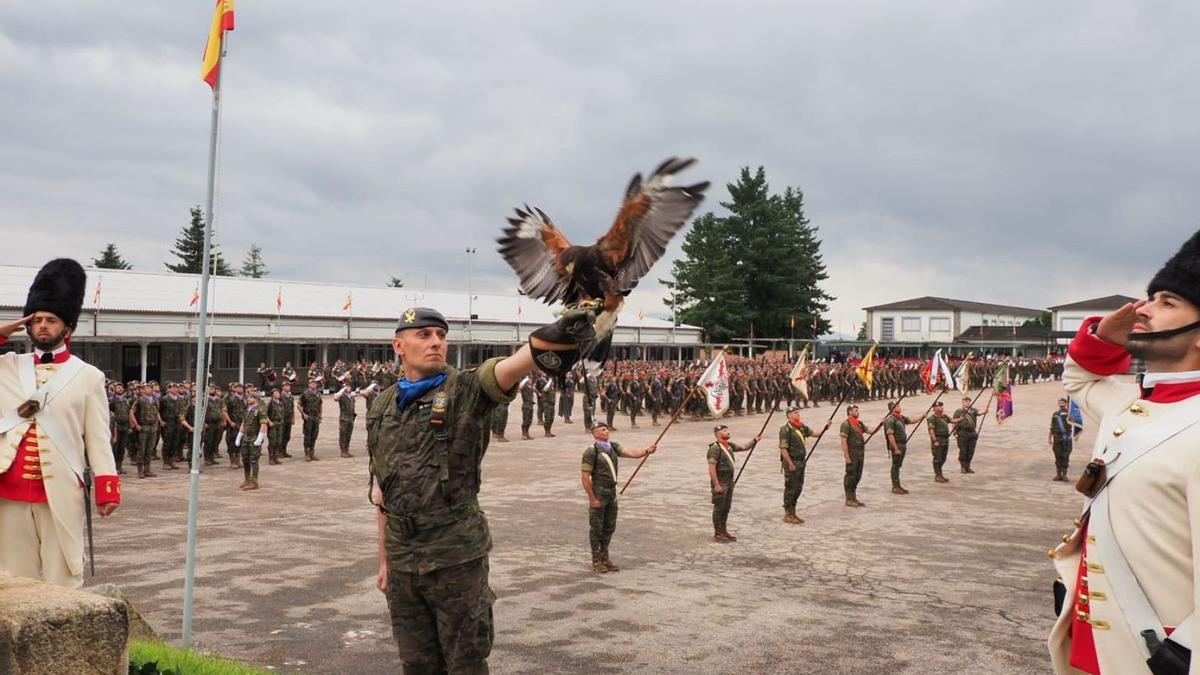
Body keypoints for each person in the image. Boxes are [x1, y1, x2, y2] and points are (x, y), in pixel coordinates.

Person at [368, 305, 587, 673]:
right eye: (424, 335)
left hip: (455, 557)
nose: (436, 342)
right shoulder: (382, 405)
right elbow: (383, 493)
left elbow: (507, 369)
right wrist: (385, 560)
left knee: (465, 663)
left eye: (441, 336)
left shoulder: (465, 389)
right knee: (417, 664)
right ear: (398, 346)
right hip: (403, 560)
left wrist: (545, 341)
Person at [1048, 231, 1200, 674]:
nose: (1142, 309)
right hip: (1095, 649)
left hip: (1156, 657)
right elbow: (1078, 379)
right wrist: (1104, 337)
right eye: (1150, 298)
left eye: (1167, 302)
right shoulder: (1131, 403)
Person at [0, 259, 121, 587]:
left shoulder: (89, 377)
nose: (42, 326)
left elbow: (97, 436)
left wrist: (107, 485)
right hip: (8, 490)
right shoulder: (7, 366)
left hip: (60, 489)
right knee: (13, 577)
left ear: (68, 328)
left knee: (62, 575)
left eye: (51, 320)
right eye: (36, 319)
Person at [580, 422, 655, 572]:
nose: (606, 431)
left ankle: (605, 557)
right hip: (599, 494)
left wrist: (646, 451)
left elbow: (632, 453)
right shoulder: (591, 451)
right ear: (595, 434)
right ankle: (596, 561)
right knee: (597, 528)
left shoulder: (612, 446)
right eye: (602, 429)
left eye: (606, 429)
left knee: (609, 527)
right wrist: (592, 499)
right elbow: (585, 477)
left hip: (611, 494)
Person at [707, 424, 761, 543]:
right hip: (721, 482)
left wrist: (754, 441)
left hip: (729, 482)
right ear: (718, 434)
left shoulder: (729, 446)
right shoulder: (715, 448)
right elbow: (711, 468)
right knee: (719, 508)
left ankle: (724, 530)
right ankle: (718, 533)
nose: (728, 432)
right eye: (725, 431)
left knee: (726, 507)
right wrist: (716, 484)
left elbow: (743, 447)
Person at [778, 406, 828, 524]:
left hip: (801, 461)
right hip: (792, 462)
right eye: (795, 413)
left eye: (798, 412)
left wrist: (825, 428)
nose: (798, 414)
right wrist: (790, 463)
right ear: (789, 415)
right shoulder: (786, 430)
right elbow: (783, 448)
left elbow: (815, 434)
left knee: (798, 487)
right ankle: (788, 513)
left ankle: (793, 512)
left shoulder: (801, 427)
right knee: (791, 488)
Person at [883, 401, 925, 495]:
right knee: (895, 466)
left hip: (902, 444)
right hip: (897, 445)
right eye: (897, 406)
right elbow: (890, 435)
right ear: (892, 409)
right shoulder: (891, 420)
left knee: (898, 465)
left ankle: (898, 485)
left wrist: (921, 417)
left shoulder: (900, 417)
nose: (899, 407)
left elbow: (910, 420)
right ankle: (895, 486)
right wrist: (896, 448)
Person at [238, 391, 269, 491]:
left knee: (254, 460)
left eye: (251, 397)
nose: (248, 399)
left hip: (254, 437)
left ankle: (254, 482)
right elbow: (244, 423)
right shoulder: (247, 410)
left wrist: (259, 439)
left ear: (256, 399)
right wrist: (239, 436)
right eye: (248, 397)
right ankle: (247, 479)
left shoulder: (260, 410)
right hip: (246, 437)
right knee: (245, 459)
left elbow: (264, 425)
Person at [839, 404, 868, 507]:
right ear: (850, 412)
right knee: (850, 475)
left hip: (860, 453)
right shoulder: (846, 424)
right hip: (852, 453)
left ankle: (853, 497)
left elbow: (870, 430)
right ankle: (849, 498)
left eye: (857, 410)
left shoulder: (859, 423)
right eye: (855, 410)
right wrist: (846, 456)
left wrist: (881, 424)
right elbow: (843, 441)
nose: (857, 412)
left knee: (857, 475)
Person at [1047, 398, 1075, 482]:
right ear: (1058, 404)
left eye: (1063, 402)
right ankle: (1058, 474)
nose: (1061, 404)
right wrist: (1049, 438)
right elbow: (1052, 427)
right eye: (1060, 402)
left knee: (1065, 456)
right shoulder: (1055, 414)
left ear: (1066, 404)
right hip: (1057, 438)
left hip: (1066, 438)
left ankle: (1064, 475)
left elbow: (1074, 421)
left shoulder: (1069, 414)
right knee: (1058, 456)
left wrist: (1069, 413)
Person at [952, 396, 980, 473]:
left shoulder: (973, 410)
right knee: (963, 451)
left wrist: (986, 410)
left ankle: (968, 466)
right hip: (962, 433)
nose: (968, 402)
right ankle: (963, 466)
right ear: (962, 402)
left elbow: (980, 413)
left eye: (969, 401)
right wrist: (954, 432)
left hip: (972, 433)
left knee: (970, 451)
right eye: (966, 401)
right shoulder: (958, 412)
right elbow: (954, 422)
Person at [926, 400, 952, 483]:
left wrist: (961, 419)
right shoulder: (932, 418)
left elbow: (952, 420)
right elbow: (931, 430)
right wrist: (934, 440)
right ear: (934, 408)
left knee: (943, 458)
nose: (940, 408)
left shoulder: (944, 416)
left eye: (941, 406)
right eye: (938, 406)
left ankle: (940, 474)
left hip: (945, 439)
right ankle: (937, 475)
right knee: (938, 458)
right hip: (938, 439)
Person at [298, 378, 322, 461]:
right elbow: (299, 405)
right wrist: (303, 414)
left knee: (314, 436)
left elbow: (320, 405)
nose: (314, 385)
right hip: (308, 417)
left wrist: (320, 416)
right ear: (309, 385)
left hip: (316, 417)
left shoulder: (318, 394)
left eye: (315, 384)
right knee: (307, 436)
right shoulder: (305, 394)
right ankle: (307, 454)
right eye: (312, 383)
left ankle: (312, 453)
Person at [334, 381, 356, 457]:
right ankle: (343, 451)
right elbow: (335, 398)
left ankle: (347, 450)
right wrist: (342, 390)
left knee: (348, 435)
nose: (348, 388)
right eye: (346, 387)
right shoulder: (342, 396)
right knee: (343, 434)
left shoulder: (352, 396)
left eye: (349, 387)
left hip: (351, 418)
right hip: (344, 418)